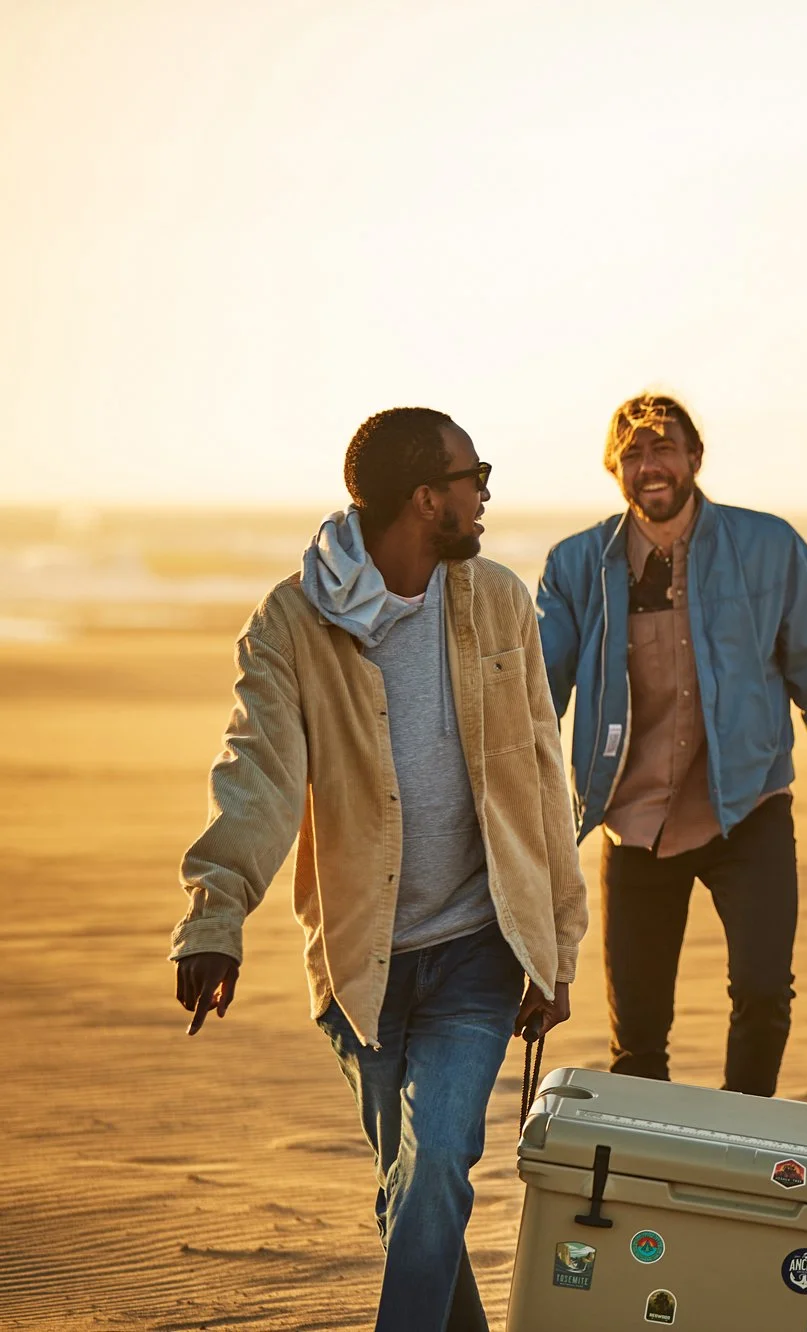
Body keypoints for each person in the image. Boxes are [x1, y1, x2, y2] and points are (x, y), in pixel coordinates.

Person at [169, 408, 588, 1331]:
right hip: (364, 960)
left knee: (437, 1159)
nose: (486, 490)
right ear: (424, 497)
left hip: (480, 947)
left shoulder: (499, 601)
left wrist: (556, 941)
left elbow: (539, 772)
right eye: (473, 473)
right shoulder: (292, 623)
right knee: (410, 1189)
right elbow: (258, 774)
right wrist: (215, 916)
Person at [537, 393, 807, 1097]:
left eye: (664, 447)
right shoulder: (577, 567)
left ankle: (745, 1136)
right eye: (633, 453)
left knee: (762, 993)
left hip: (745, 807)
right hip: (632, 820)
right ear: (613, 469)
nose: (650, 464)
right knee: (636, 1034)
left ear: (694, 457)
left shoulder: (767, 547)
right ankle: (642, 1171)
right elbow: (537, 696)